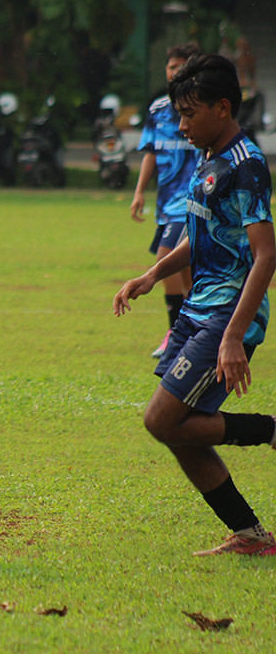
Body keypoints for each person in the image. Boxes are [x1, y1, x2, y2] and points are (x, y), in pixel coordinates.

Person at [114, 53, 276, 557]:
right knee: (178, 431)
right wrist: (152, 274)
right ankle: (250, 536)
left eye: (190, 114)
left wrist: (233, 336)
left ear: (223, 108)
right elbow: (199, 237)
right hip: (196, 311)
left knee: (161, 421)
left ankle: (271, 431)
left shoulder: (246, 168)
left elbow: (266, 256)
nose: (181, 125)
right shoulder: (210, 157)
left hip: (227, 316)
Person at [130, 44, 200, 359]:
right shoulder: (158, 109)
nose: (174, 72)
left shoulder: (201, 107)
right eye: (171, 67)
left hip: (193, 200)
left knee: (166, 256)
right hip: (167, 202)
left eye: (181, 67)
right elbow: (151, 153)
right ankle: (188, 329)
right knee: (183, 270)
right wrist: (139, 191)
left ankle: (179, 332)